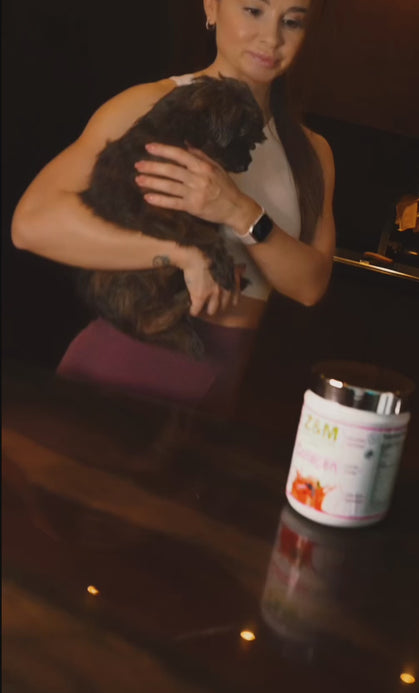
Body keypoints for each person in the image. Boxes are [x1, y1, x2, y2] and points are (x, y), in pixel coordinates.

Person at [10, 0, 335, 415]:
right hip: (126, 366)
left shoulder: (312, 152)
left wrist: (239, 212)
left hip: (222, 386)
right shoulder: (151, 104)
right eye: (253, 11)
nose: (271, 38)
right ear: (212, 7)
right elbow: (32, 224)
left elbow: (310, 285)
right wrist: (182, 254)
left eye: (291, 21)